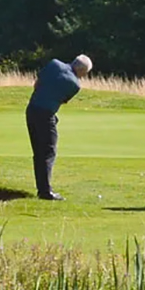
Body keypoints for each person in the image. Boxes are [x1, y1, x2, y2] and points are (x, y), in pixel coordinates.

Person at [26, 54, 92, 201]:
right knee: (49, 152)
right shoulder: (75, 85)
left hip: (31, 109)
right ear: (82, 71)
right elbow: (62, 101)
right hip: (46, 115)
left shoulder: (54, 63)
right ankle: (45, 192)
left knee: (39, 152)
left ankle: (42, 189)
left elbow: (37, 84)